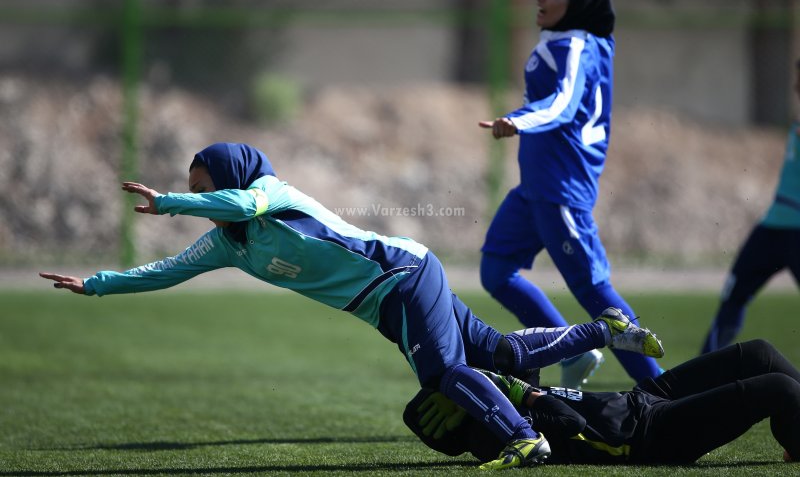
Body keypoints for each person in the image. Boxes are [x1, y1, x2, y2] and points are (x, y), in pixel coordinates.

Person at [39, 142, 664, 471]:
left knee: (445, 376)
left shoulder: (267, 192)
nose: (204, 197)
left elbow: (244, 205)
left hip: (403, 274)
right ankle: (603, 331)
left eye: (207, 186)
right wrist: (96, 284)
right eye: (198, 190)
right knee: (496, 352)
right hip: (387, 303)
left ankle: (524, 440)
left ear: (232, 176)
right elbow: (163, 272)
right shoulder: (225, 246)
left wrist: (173, 201)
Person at [477, 0, 660, 388]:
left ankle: (662, 389)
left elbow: (562, 104)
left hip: (561, 190)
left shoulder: (577, 43)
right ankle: (575, 352)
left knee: (595, 294)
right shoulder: (583, 36)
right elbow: (600, 16)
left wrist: (517, 120)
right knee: (496, 271)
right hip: (535, 189)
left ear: (576, 5)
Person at [405, 339, 800, 465]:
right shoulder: (494, 438)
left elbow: (515, 355)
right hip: (651, 435)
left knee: (759, 354)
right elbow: (569, 423)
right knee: (780, 388)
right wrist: (515, 389)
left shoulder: (491, 409)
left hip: (640, 399)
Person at [701, 61, 800, 353]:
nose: (795, 87)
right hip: (771, 230)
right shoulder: (795, 125)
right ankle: (700, 373)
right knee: (733, 298)